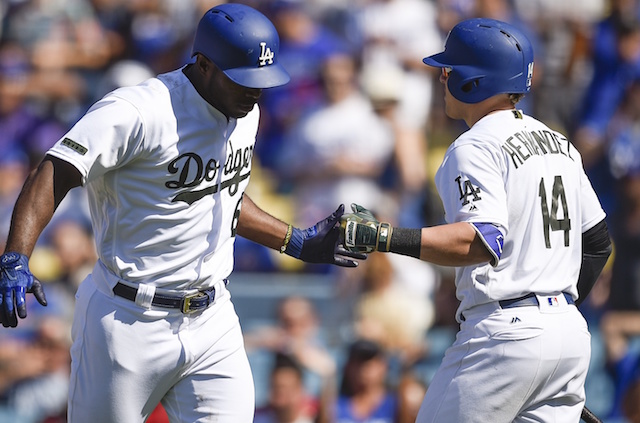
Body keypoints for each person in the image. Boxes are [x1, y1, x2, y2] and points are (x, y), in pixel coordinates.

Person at [0, 4, 364, 423]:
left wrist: (293, 240)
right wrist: (16, 255)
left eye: (262, 80)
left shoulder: (246, 111)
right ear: (204, 65)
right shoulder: (138, 110)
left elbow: (220, 195)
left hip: (213, 317)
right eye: (243, 79)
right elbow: (55, 170)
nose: (255, 91)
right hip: (129, 318)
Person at [340, 18, 612, 422]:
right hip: (567, 332)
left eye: (448, 70)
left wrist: (383, 236)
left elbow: (479, 242)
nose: (441, 78)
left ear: (474, 81)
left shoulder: (474, 146)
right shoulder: (559, 143)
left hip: (504, 331)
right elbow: (598, 244)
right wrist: (552, 319)